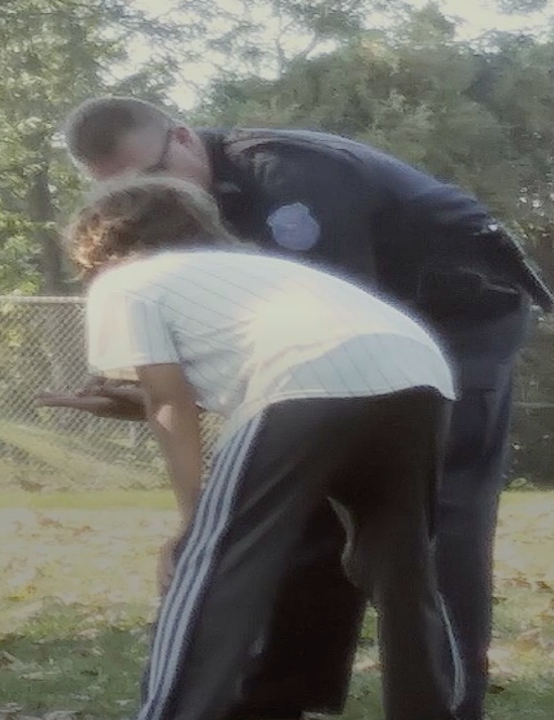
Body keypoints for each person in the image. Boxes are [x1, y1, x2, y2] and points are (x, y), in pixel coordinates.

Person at [59, 96, 553, 720]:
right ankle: (286, 695)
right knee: (332, 513)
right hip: (391, 347)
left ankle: (450, 707)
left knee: (433, 526)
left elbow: (317, 340)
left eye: (152, 178)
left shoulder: (288, 174)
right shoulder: (194, 218)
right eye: (124, 190)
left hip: (460, 315)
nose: (148, 196)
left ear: (183, 138)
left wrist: (191, 520)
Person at [44, 174, 462, 720]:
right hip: (418, 374)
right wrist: (140, 401)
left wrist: (192, 524)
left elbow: (169, 402)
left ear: (98, 246)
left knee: (216, 568)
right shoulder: (263, 271)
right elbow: (200, 385)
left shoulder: (126, 282)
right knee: (401, 567)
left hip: (303, 379)